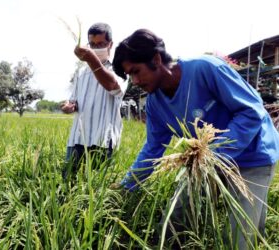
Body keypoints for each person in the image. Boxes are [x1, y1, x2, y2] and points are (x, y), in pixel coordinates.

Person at [112, 29, 279, 248]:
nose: (134, 81)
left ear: (156, 59)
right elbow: (152, 150)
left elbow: (251, 112)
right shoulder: (155, 104)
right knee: (173, 221)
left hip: (252, 157)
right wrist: (125, 187)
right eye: (129, 76)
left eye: (136, 71)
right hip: (205, 163)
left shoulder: (205, 69)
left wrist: (213, 154)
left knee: (240, 237)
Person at [62, 22, 126, 178]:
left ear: (110, 44)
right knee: (68, 182)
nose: (96, 49)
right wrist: (68, 106)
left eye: (101, 44)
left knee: (97, 187)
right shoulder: (82, 72)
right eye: (92, 44)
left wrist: (91, 59)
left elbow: (113, 86)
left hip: (102, 140)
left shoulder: (119, 69)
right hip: (78, 138)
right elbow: (73, 101)